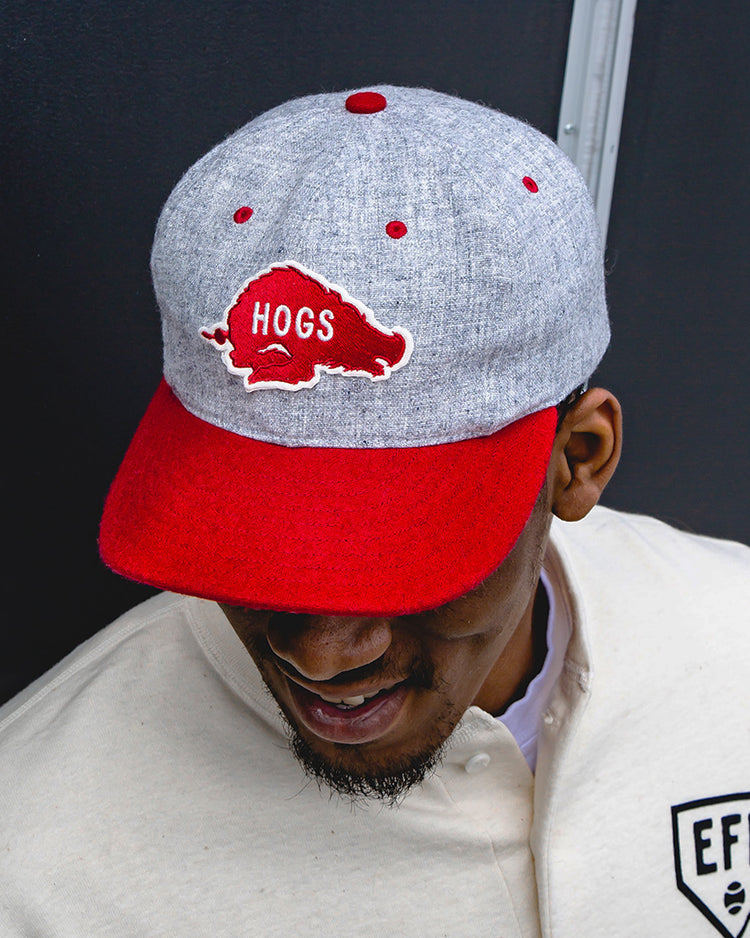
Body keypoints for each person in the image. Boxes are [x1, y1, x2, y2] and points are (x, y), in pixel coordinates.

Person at [1, 86, 747, 938]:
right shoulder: (32, 864)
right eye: (253, 543)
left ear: (579, 461)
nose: (319, 653)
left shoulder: (736, 640)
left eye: (402, 556)